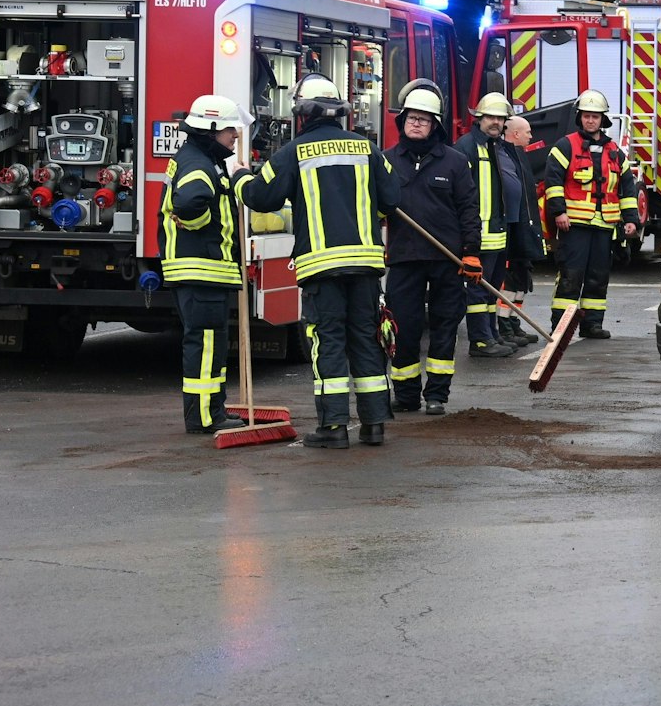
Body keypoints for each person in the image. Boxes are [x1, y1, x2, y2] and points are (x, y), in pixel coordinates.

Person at [235, 74, 401, 448]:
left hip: (322, 268)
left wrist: (241, 177)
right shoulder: (368, 149)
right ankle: (374, 424)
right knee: (366, 339)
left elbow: (261, 197)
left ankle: (334, 428)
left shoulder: (293, 152)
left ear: (302, 113)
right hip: (365, 266)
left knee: (328, 343)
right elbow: (392, 198)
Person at [381, 80, 481, 415]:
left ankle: (437, 394)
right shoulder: (386, 161)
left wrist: (471, 252)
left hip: (447, 259)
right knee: (404, 328)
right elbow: (371, 208)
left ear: (434, 124)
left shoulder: (455, 163)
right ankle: (406, 395)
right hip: (404, 258)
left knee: (444, 326)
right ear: (402, 121)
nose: (416, 123)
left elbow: (469, 209)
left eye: (423, 119)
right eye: (411, 117)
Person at [163, 95, 248, 434]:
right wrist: (198, 223)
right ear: (211, 131)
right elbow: (188, 204)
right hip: (203, 270)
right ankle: (203, 417)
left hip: (202, 272)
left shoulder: (199, 158)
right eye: (230, 131)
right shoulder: (199, 165)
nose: (235, 136)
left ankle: (213, 409)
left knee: (211, 345)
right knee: (205, 346)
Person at [544, 89, 629, 340]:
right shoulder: (565, 146)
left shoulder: (615, 151)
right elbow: (553, 181)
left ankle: (592, 324)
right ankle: (561, 327)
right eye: (586, 116)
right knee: (571, 276)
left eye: (595, 116)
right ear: (579, 118)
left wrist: (631, 220)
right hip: (574, 225)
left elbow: (627, 188)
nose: (590, 120)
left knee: (598, 277)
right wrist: (559, 212)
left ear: (603, 120)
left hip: (604, 226)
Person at [453, 92, 519, 358]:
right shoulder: (466, 147)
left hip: (498, 233)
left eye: (500, 118)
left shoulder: (497, 146)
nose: (495, 122)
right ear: (479, 118)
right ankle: (480, 341)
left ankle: (491, 335)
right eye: (490, 117)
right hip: (478, 235)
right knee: (478, 291)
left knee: (491, 290)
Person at [499, 115, 545, 347]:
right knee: (509, 282)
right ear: (515, 134)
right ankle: (504, 326)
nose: (531, 136)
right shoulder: (504, 156)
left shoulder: (517, 156)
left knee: (521, 280)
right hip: (513, 230)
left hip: (524, 229)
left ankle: (512, 321)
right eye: (527, 132)